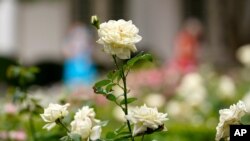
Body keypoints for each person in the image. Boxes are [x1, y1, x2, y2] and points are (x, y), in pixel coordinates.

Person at [62, 22, 97, 90]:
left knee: (88, 85)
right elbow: (65, 52)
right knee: (72, 85)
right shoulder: (70, 46)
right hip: (73, 68)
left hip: (85, 68)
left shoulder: (87, 50)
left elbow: (92, 52)